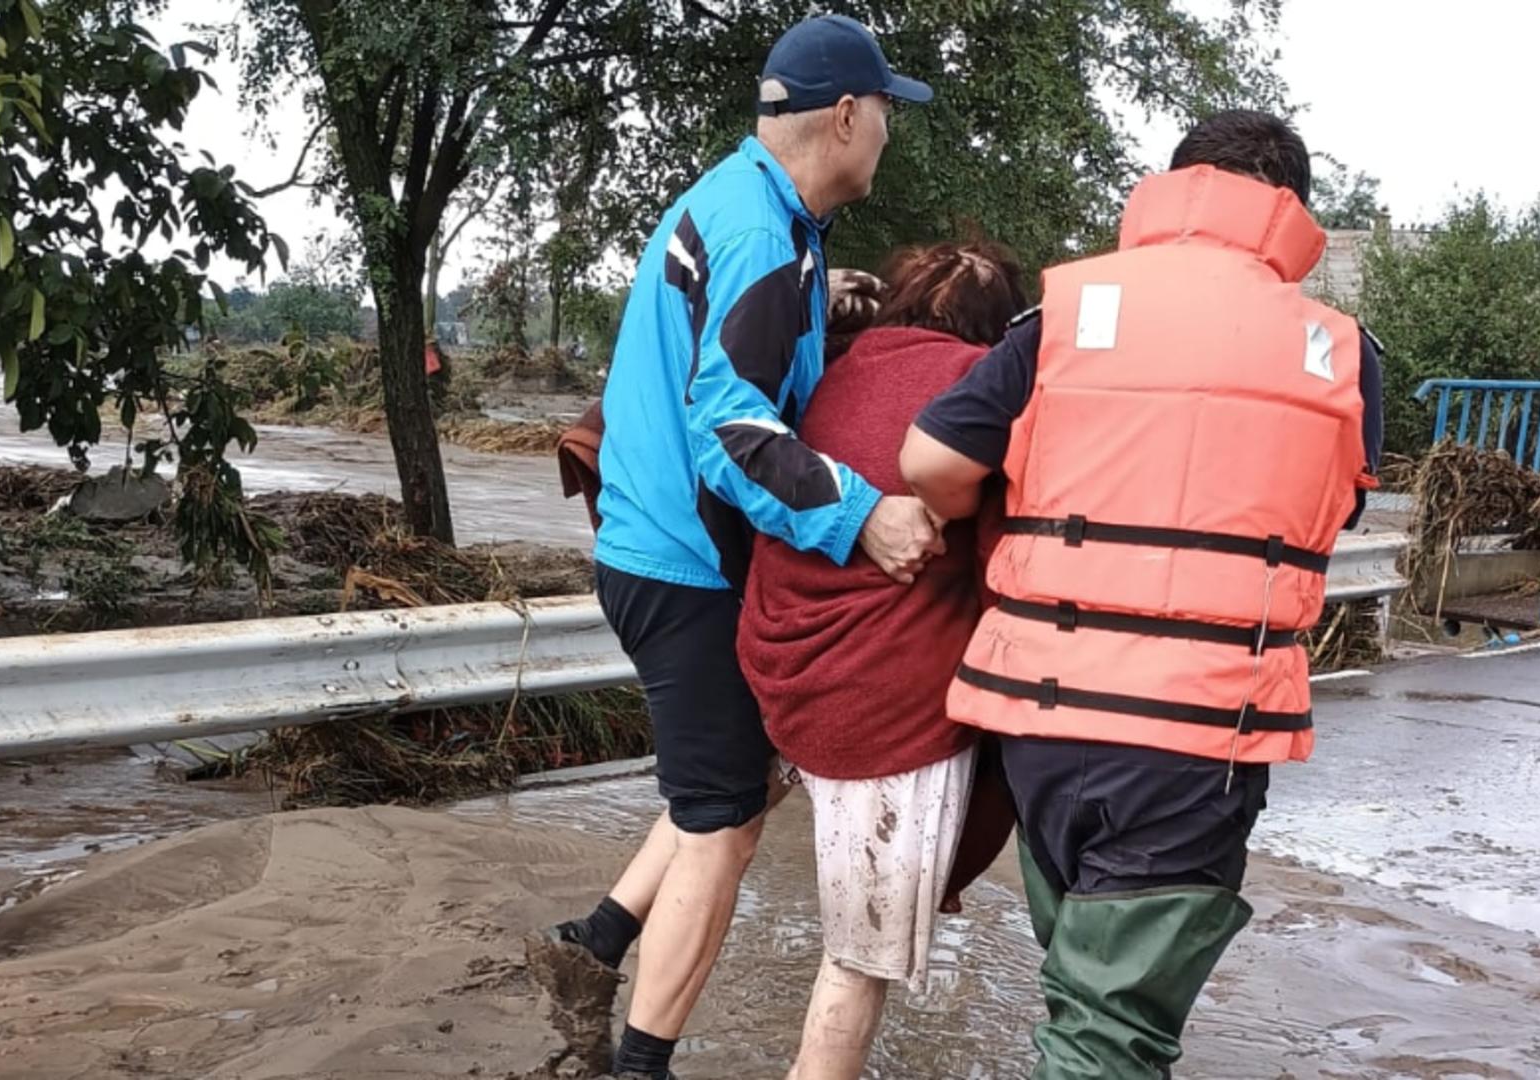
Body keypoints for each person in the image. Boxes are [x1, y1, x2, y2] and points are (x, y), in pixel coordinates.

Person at [899, 110, 1384, 1078]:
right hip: (1198, 731)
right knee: (1107, 1029)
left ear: (1175, 186)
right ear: (1291, 208)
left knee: (1082, 986)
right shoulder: (1340, 349)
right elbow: (1338, 513)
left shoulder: (1066, 312)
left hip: (1041, 717)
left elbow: (930, 462)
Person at [531, 16, 940, 1080]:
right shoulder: (765, 237)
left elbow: (740, 347)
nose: (888, 134)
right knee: (723, 828)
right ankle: (641, 1065)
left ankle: (597, 941)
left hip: (649, 544)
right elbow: (733, 429)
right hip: (686, 568)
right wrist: (862, 514)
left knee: (737, 782)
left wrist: (825, 303)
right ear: (845, 117)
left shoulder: (760, 213)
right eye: (885, 114)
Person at [734, 242, 1026, 1080]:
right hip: (886, 708)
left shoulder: (832, 371)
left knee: (711, 844)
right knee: (856, 961)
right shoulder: (984, 394)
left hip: (778, 671)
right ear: (998, 329)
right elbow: (1009, 564)